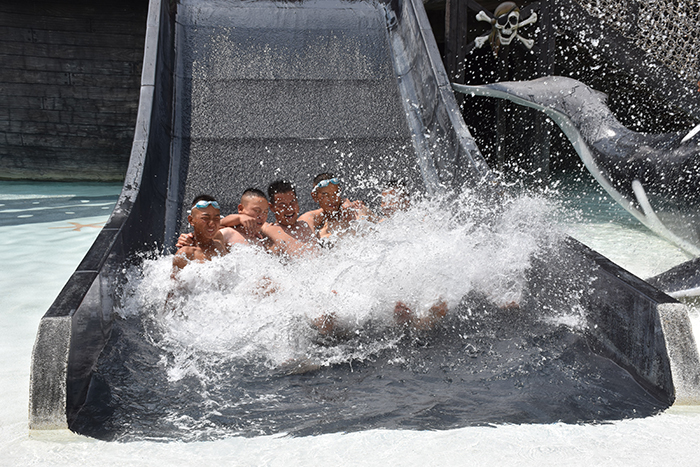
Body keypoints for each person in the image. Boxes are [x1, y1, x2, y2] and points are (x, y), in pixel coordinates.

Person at [298, 173, 371, 240]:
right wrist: (345, 201)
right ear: (315, 196)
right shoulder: (313, 221)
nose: (332, 199)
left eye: (336, 193)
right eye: (326, 195)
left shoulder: (355, 211)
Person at [261, 180, 318, 257]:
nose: (289, 209)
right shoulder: (268, 230)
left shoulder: (306, 222)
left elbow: (329, 209)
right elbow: (248, 219)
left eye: (293, 202)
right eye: (282, 205)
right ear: (272, 207)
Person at [172, 195, 227, 274]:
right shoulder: (185, 253)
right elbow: (174, 282)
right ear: (191, 220)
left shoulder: (219, 245)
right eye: (205, 218)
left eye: (216, 219)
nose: (212, 224)